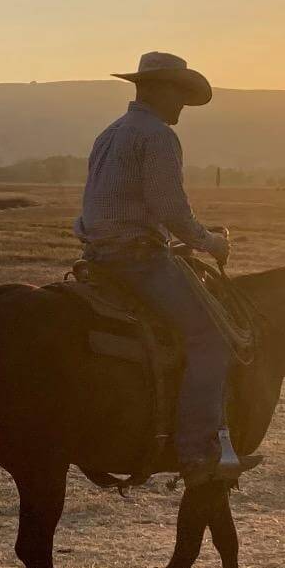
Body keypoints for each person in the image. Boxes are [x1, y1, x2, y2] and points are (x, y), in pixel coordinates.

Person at [75, 51, 263, 485]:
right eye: (179, 95)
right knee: (211, 339)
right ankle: (199, 450)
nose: (182, 106)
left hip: (99, 256)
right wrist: (211, 242)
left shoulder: (110, 133)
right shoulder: (156, 135)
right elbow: (171, 208)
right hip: (138, 260)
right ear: (159, 90)